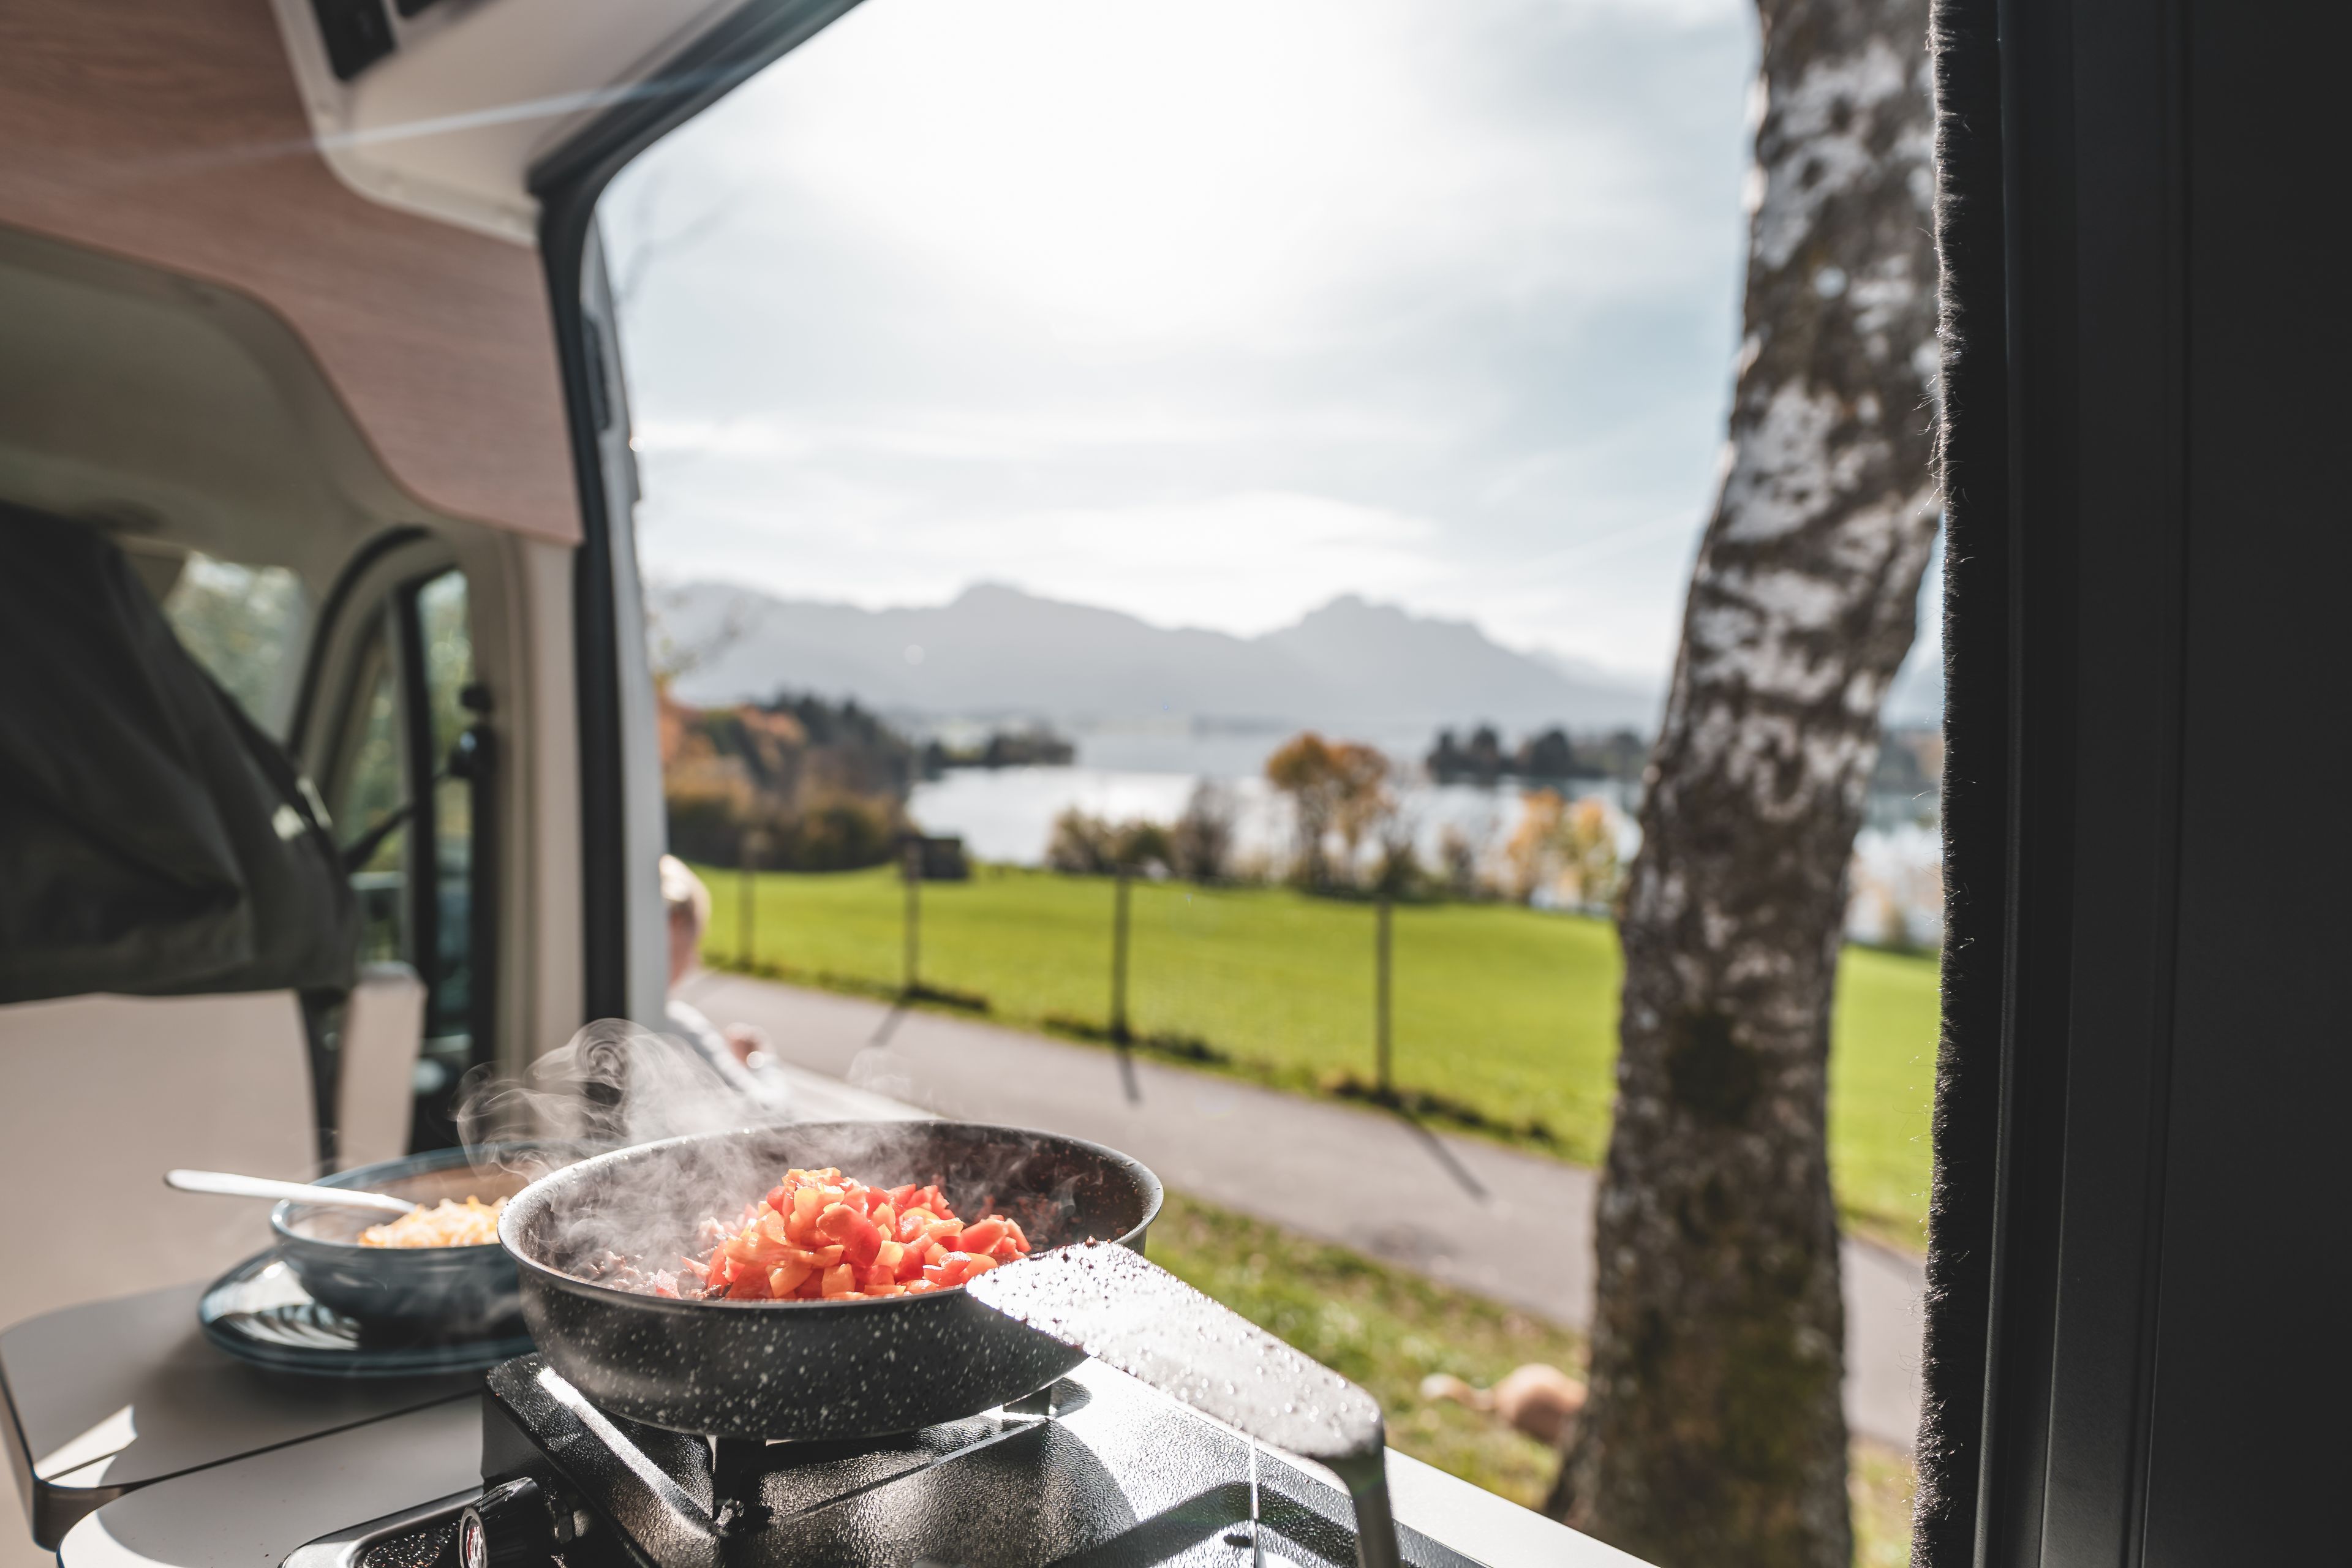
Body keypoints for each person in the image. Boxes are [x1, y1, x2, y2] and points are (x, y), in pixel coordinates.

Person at [660, 854, 791, 1110]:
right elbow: (771, 1117)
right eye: (694, 942)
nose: (694, 961)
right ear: (675, 926)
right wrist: (760, 1060)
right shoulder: (678, 1028)